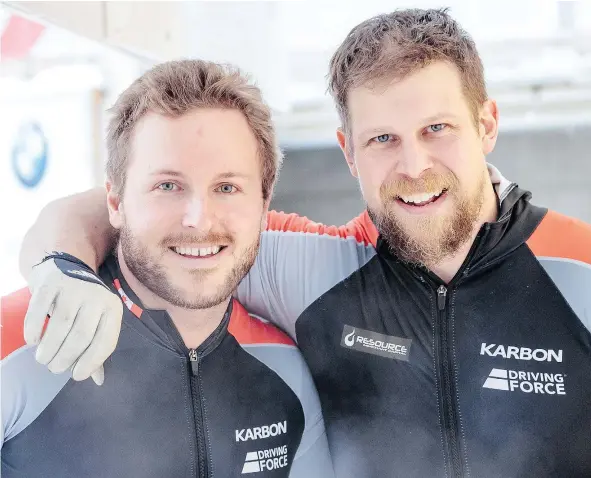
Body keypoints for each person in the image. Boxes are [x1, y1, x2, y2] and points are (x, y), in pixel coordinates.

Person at [15, 8, 591, 478]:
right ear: (348, 151)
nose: (414, 165)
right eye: (382, 138)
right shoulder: (311, 267)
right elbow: (149, 217)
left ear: (487, 123)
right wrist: (62, 265)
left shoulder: (581, 268)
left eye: (436, 129)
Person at [1, 59, 334, 478]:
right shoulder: (16, 345)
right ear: (115, 202)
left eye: (227, 187)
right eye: (168, 186)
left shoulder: (286, 371)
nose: (199, 218)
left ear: (264, 207)